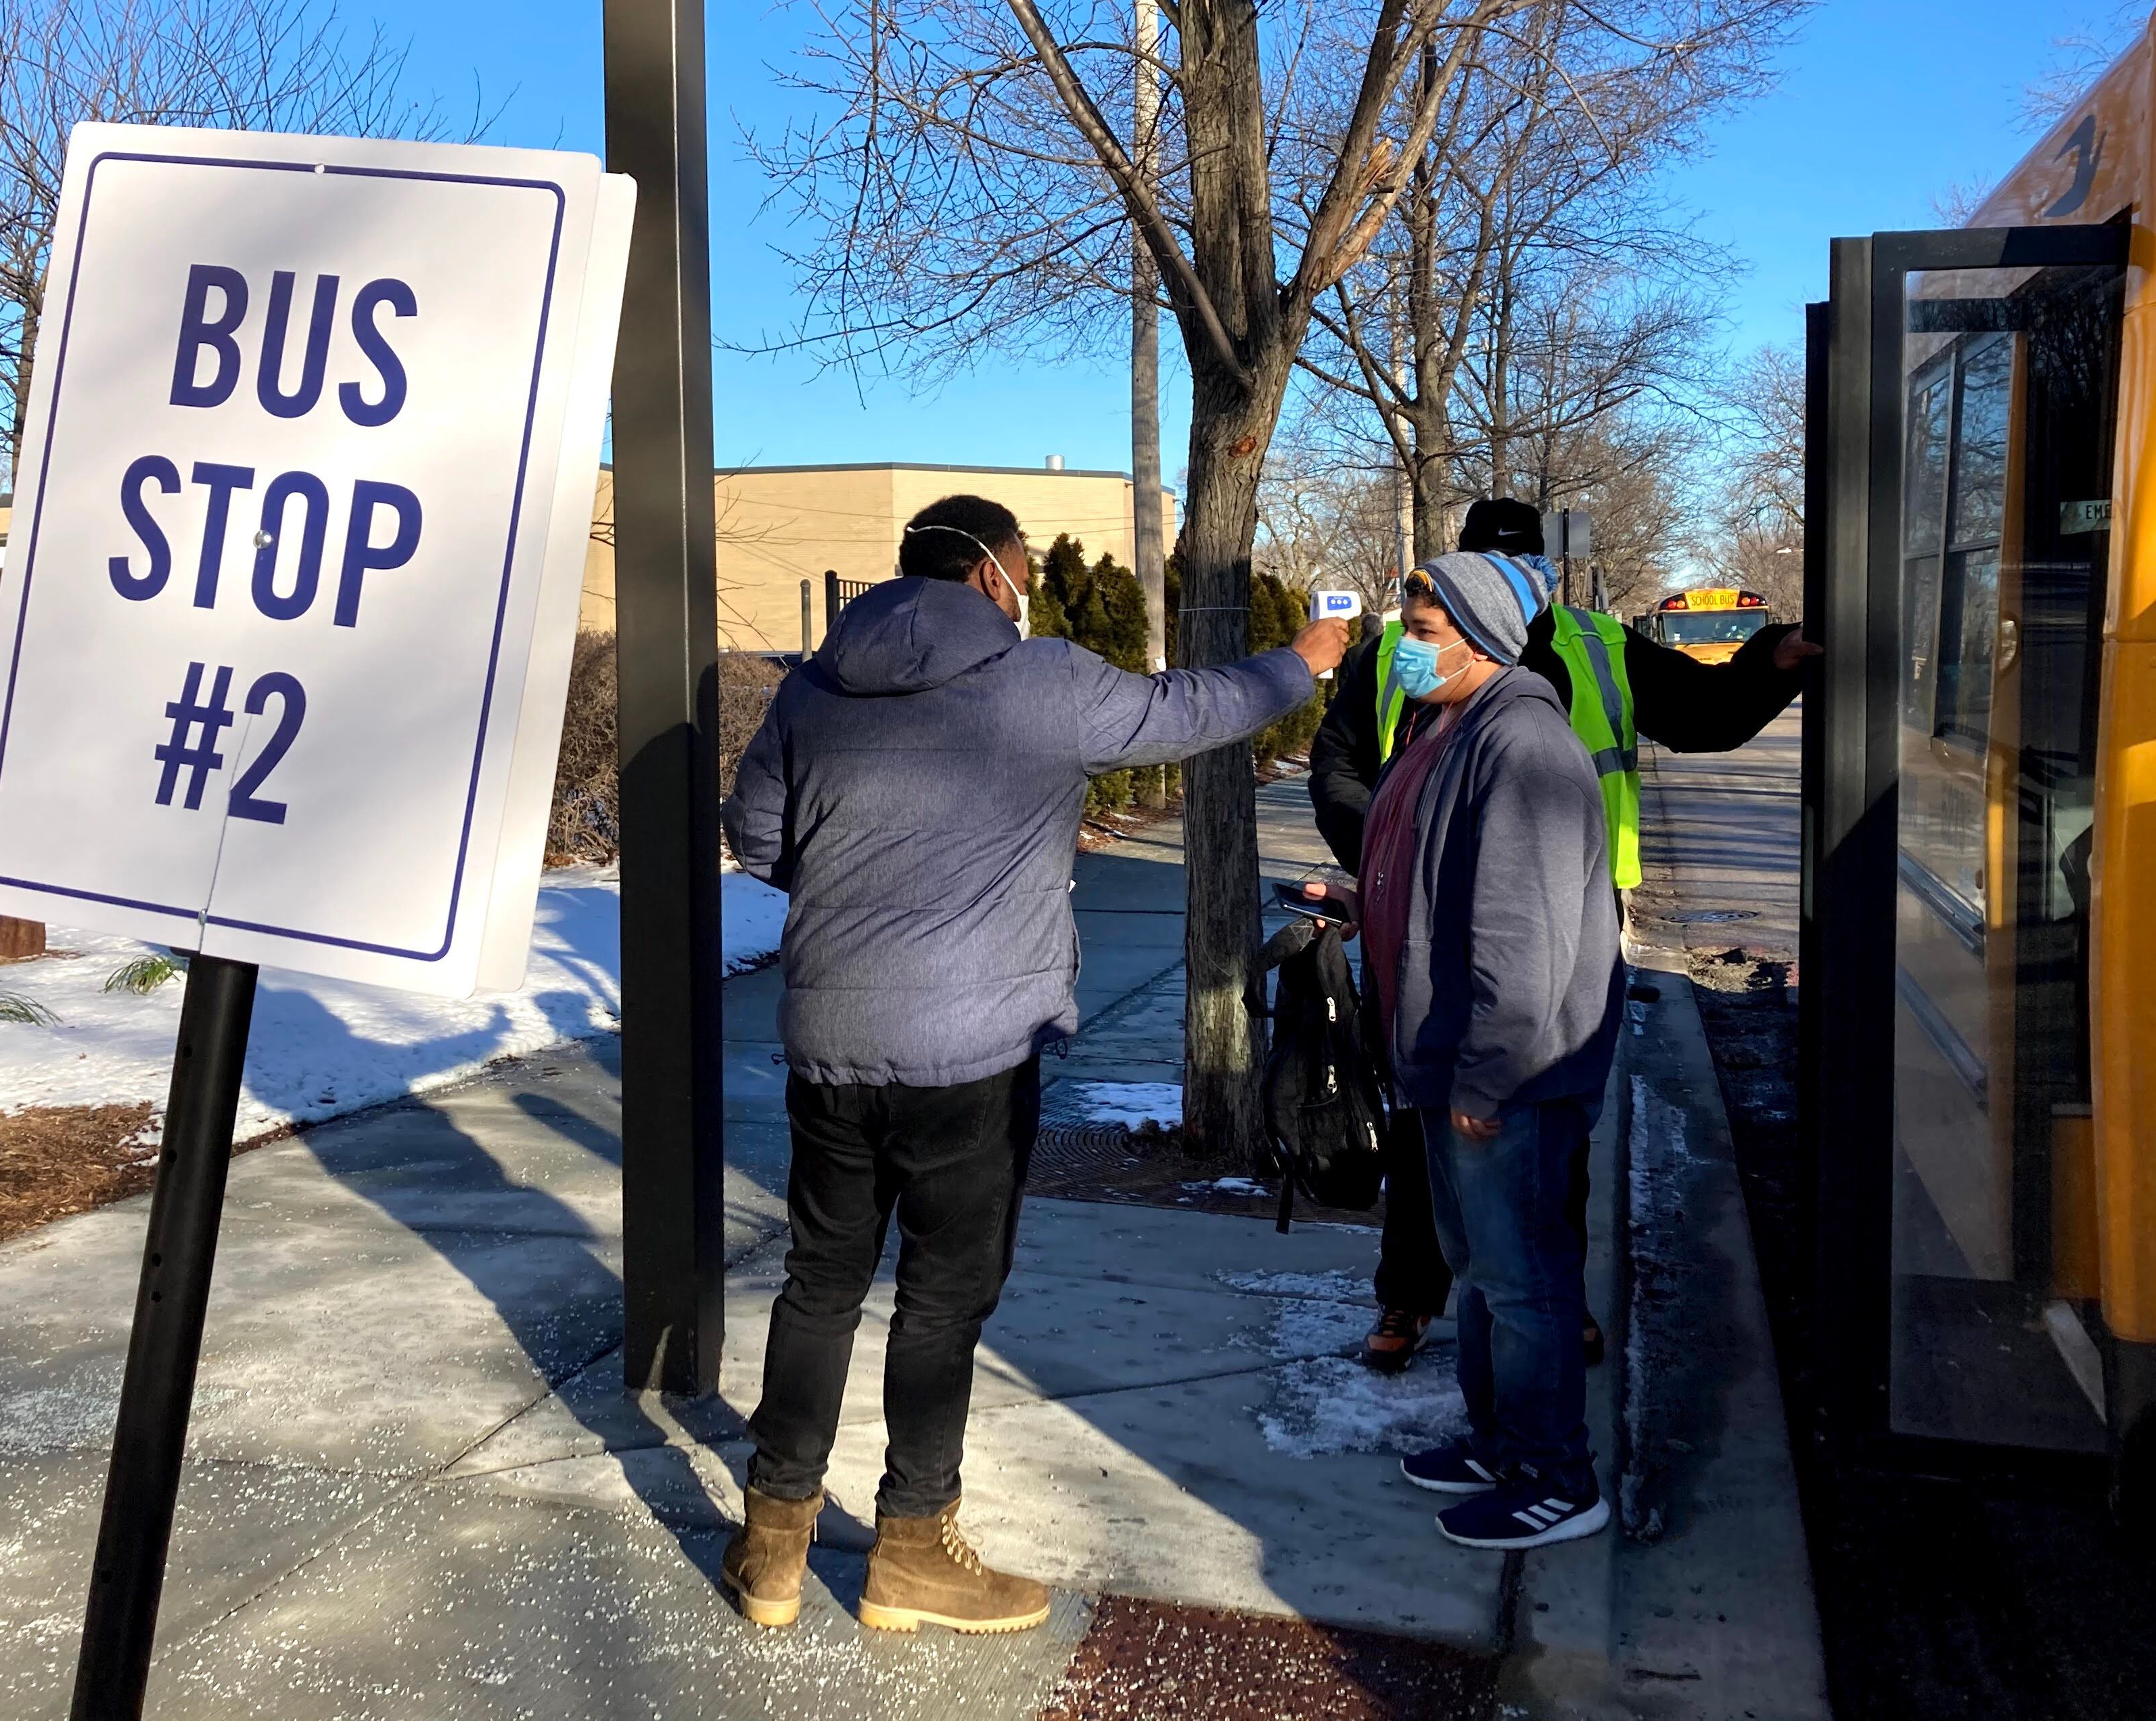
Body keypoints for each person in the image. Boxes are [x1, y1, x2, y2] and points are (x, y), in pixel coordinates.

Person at [718, 494, 1351, 1634]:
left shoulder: (815, 688)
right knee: (941, 1299)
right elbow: (1187, 710)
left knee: (819, 1285)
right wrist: (1299, 665)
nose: (1031, 589)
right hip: (972, 1053)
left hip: (827, 1041)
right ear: (987, 575)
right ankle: (913, 1547)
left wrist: (855, 896)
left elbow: (758, 833)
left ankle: (773, 1546)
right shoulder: (1042, 682)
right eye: (1022, 570)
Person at [1310, 497, 1816, 1372]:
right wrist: (1388, 866)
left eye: (1527, 564)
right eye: (1493, 563)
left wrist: (1768, 664)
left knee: (1543, 1123)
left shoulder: (1600, 646)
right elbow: (1340, 765)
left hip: (1565, 925)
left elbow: (1704, 715)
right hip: (1417, 923)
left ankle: (1548, 1300)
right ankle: (1412, 1291)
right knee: (1426, 1116)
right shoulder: (1399, 652)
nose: (1519, 580)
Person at [1308, 551, 1621, 1549]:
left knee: (1524, 1282)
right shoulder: (1451, 729)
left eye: (1426, 628)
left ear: (1483, 639)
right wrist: (1365, 901)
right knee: (1481, 1269)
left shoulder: (1521, 742)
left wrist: (1490, 1076)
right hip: (1450, 1066)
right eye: (1406, 621)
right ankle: (1502, 1443)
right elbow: (1435, 874)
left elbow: (1522, 937)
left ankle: (1558, 1478)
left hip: (1507, 1073)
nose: (1405, 642)